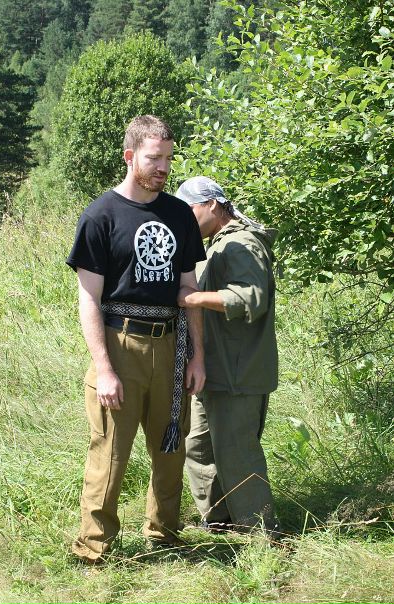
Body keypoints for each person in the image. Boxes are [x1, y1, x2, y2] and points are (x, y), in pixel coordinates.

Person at [66, 115, 206, 563]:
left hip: (170, 344)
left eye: (168, 158)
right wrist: (105, 368)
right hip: (120, 342)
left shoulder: (179, 215)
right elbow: (89, 298)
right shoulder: (101, 215)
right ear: (130, 157)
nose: (163, 167)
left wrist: (196, 356)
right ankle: (94, 548)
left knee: (171, 447)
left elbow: (189, 290)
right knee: (110, 452)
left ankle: (164, 534)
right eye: (154, 158)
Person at [175, 176, 279, 535]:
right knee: (199, 449)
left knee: (237, 455)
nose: (186, 220)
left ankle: (261, 533)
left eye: (190, 210)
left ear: (212, 205)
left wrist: (192, 298)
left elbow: (250, 298)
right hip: (213, 369)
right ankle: (220, 522)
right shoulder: (218, 244)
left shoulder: (240, 244)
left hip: (238, 371)